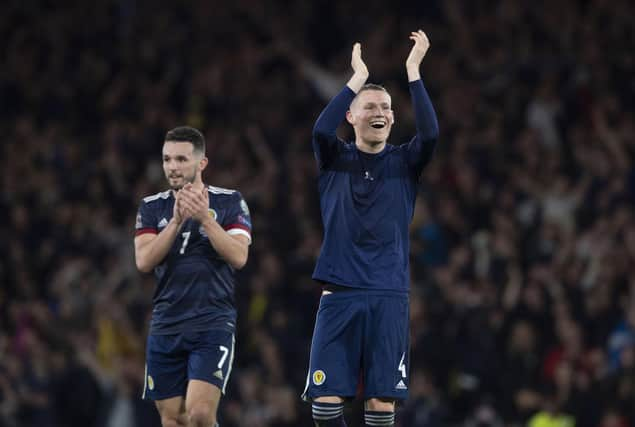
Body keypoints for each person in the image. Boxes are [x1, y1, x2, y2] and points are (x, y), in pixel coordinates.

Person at [302, 30, 439, 427]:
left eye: (385, 106)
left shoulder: (405, 163)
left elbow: (430, 133)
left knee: (381, 407)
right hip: (340, 294)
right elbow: (320, 131)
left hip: (387, 294)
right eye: (369, 106)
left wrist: (413, 71)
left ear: (393, 117)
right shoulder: (334, 159)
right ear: (352, 116)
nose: (379, 111)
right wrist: (356, 79)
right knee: (325, 406)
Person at [134, 126, 252, 427]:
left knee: (199, 414)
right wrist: (175, 223)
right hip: (166, 324)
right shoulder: (151, 208)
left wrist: (204, 220)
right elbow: (144, 261)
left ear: (202, 163)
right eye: (167, 159)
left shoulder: (229, 201)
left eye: (181, 159)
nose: (172, 167)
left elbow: (239, 256)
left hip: (211, 322)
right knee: (173, 419)